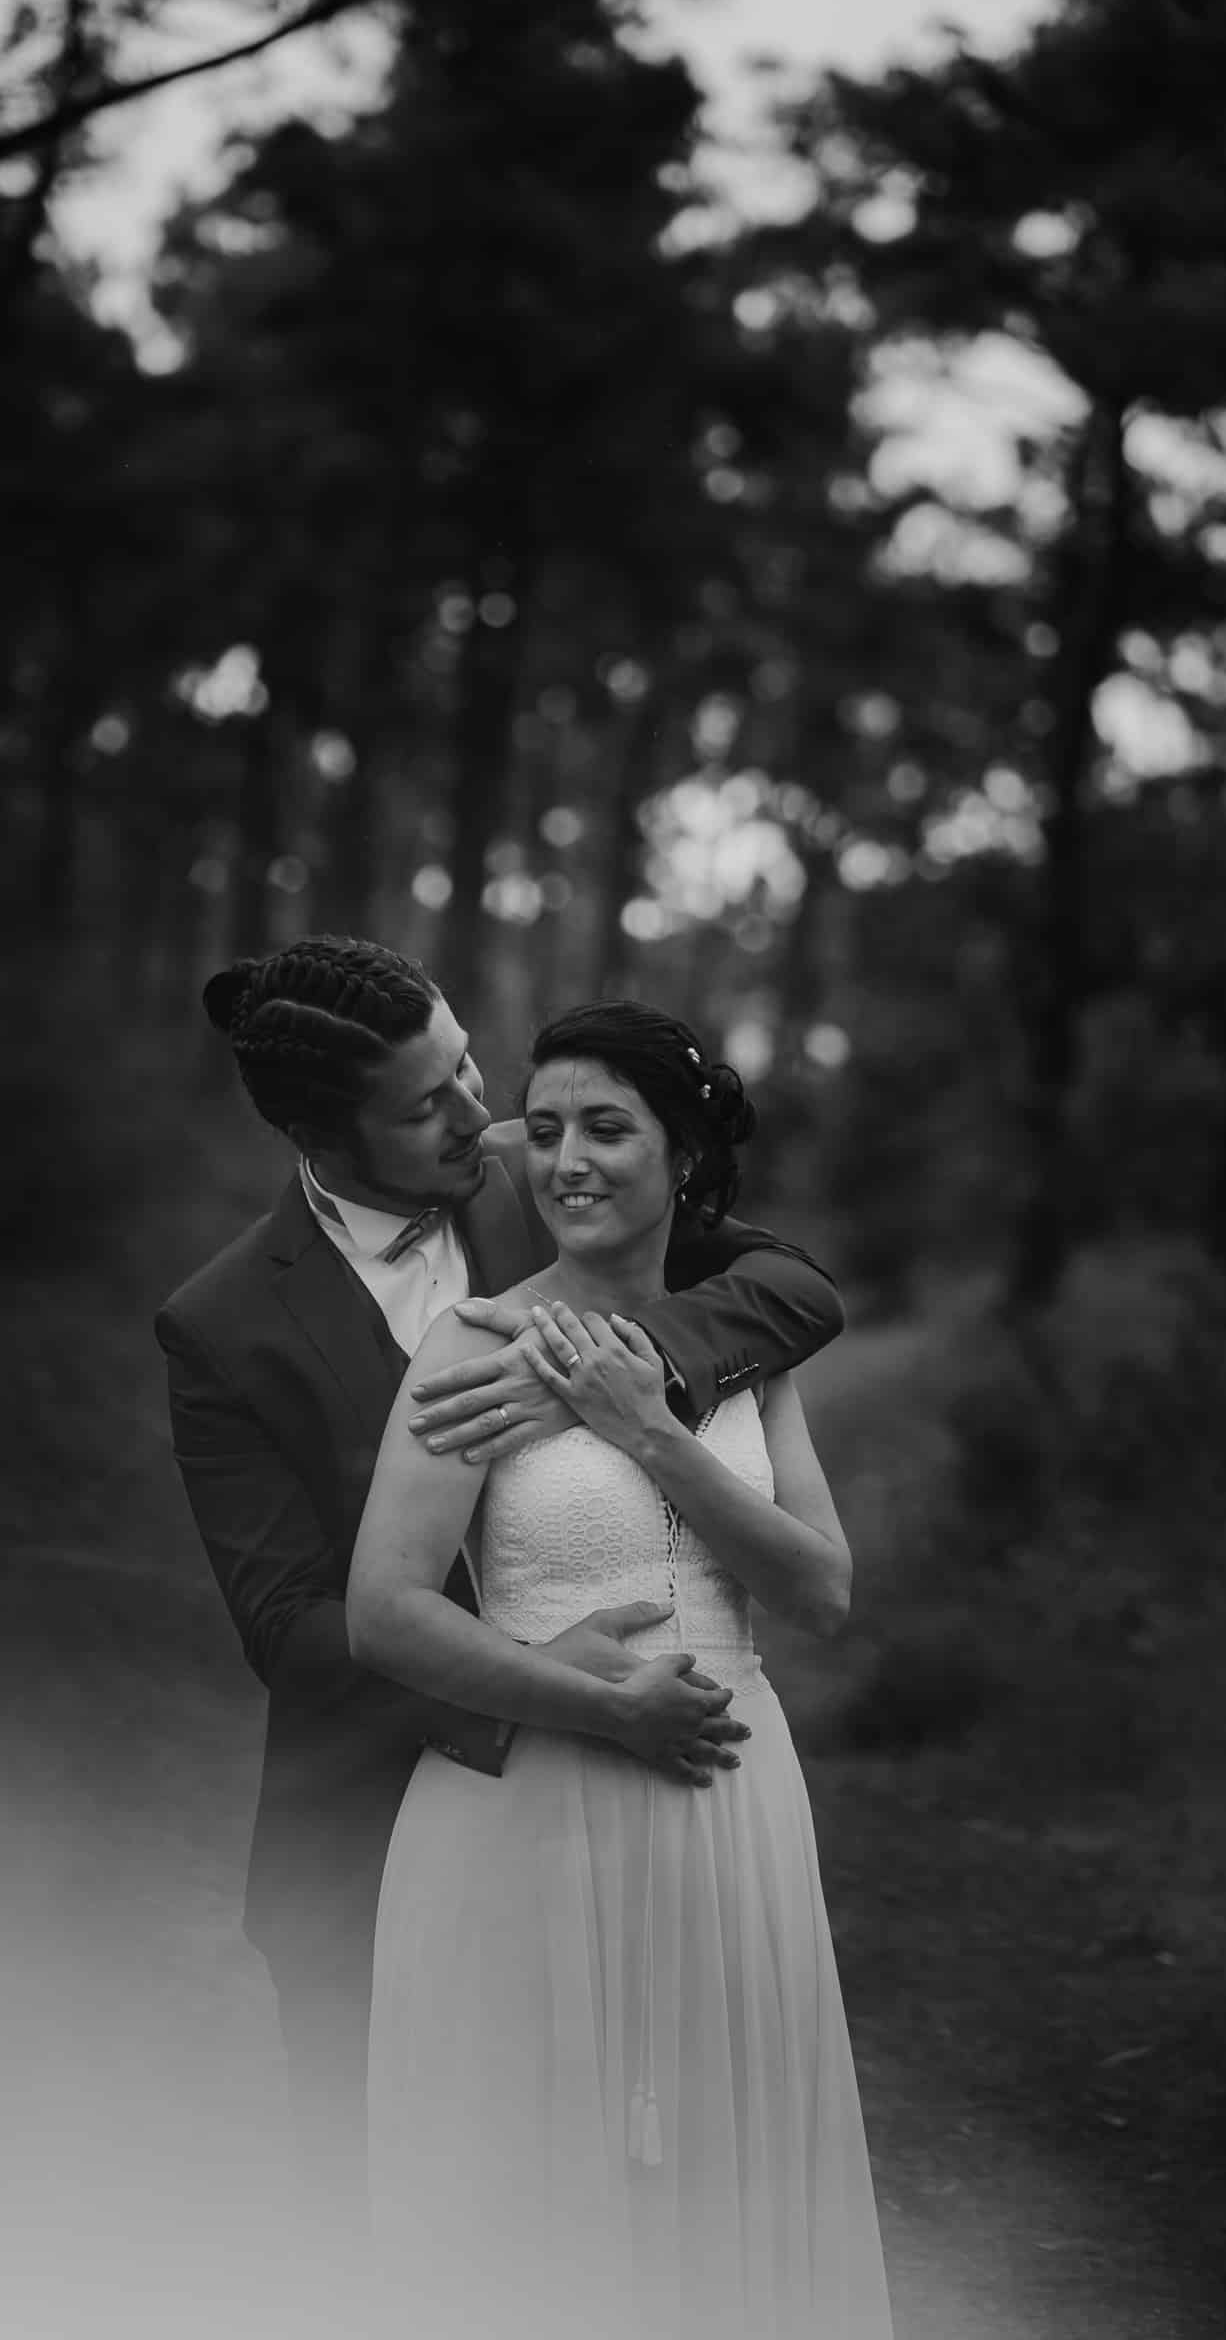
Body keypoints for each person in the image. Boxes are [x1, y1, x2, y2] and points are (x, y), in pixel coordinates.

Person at [154, 937, 846, 2250]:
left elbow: (790, 1287)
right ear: (317, 1130)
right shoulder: (226, 1324)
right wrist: (542, 1679)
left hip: (645, 1815)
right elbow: (290, 1627)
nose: (480, 1114)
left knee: (655, 2201)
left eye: (468, 1063)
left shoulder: (557, 1169)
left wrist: (613, 1368)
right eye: (427, 1103)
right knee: (397, 2240)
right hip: (373, 1828)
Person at [348, 998, 893, 2340]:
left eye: (608, 1128)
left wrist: (653, 1433)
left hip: (731, 1818)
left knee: (717, 2187)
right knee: (533, 2202)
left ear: (686, 1157)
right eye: (544, 1131)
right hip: (531, 1817)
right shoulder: (472, 1348)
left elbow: (820, 1592)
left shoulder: (745, 1351)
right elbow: (383, 1612)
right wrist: (598, 1702)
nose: (568, 1160)